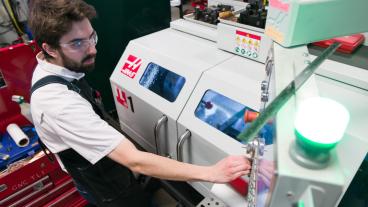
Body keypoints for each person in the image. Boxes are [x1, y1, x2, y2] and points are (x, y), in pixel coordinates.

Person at [28, 0, 251, 206]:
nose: (93, 49)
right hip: (107, 188)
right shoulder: (58, 103)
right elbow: (135, 161)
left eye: (91, 37)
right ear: (49, 48)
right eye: (77, 43)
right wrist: (211, 172)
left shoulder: (60, 67)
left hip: (111, 170)